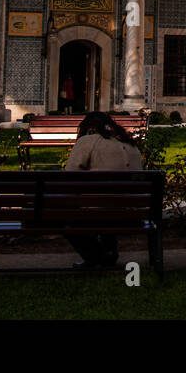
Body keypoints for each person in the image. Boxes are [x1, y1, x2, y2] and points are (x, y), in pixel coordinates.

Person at [64, 111, 143, 268]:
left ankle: (95, 256)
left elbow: (69, 178)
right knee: (110, 201)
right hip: (131, 213)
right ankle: (109, 251)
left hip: (97, 211)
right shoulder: (131, 144)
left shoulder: (88, 142)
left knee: (65, 218)